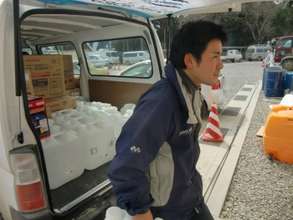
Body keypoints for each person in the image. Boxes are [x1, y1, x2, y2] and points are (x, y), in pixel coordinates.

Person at [108, 20, 227, 220]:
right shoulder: (162, 102)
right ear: (190, 60)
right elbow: (125, 165)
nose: (221, 64)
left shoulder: (191, 90)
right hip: (168, 212)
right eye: (215, 56)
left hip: (191, 200)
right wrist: (140, 211)